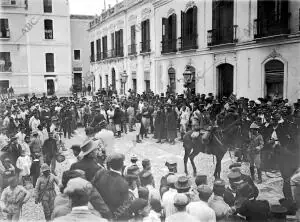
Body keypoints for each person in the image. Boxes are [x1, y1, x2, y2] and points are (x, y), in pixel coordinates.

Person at [92, 153, 131, 220]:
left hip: (97, 212)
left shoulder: (101, 172)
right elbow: (124, 207)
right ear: (122, 165)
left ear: (110, 165)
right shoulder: (123, 183)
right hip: (112, 216)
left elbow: (91, 187)